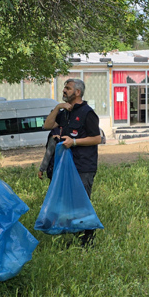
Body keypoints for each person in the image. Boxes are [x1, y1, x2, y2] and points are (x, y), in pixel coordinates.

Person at [43, 78, 101, 246]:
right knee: (69, 202)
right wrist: (58, 107)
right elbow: (47, 125)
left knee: (82, 202)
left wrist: (75, 142)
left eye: (67, 88)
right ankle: (76, 236)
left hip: (84, 165)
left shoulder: (87, 113)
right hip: (67, 166)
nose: (64, 90)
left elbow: (97, 138)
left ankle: (88, 239)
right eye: (64, 88)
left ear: (77, 92)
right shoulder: (65, 113)